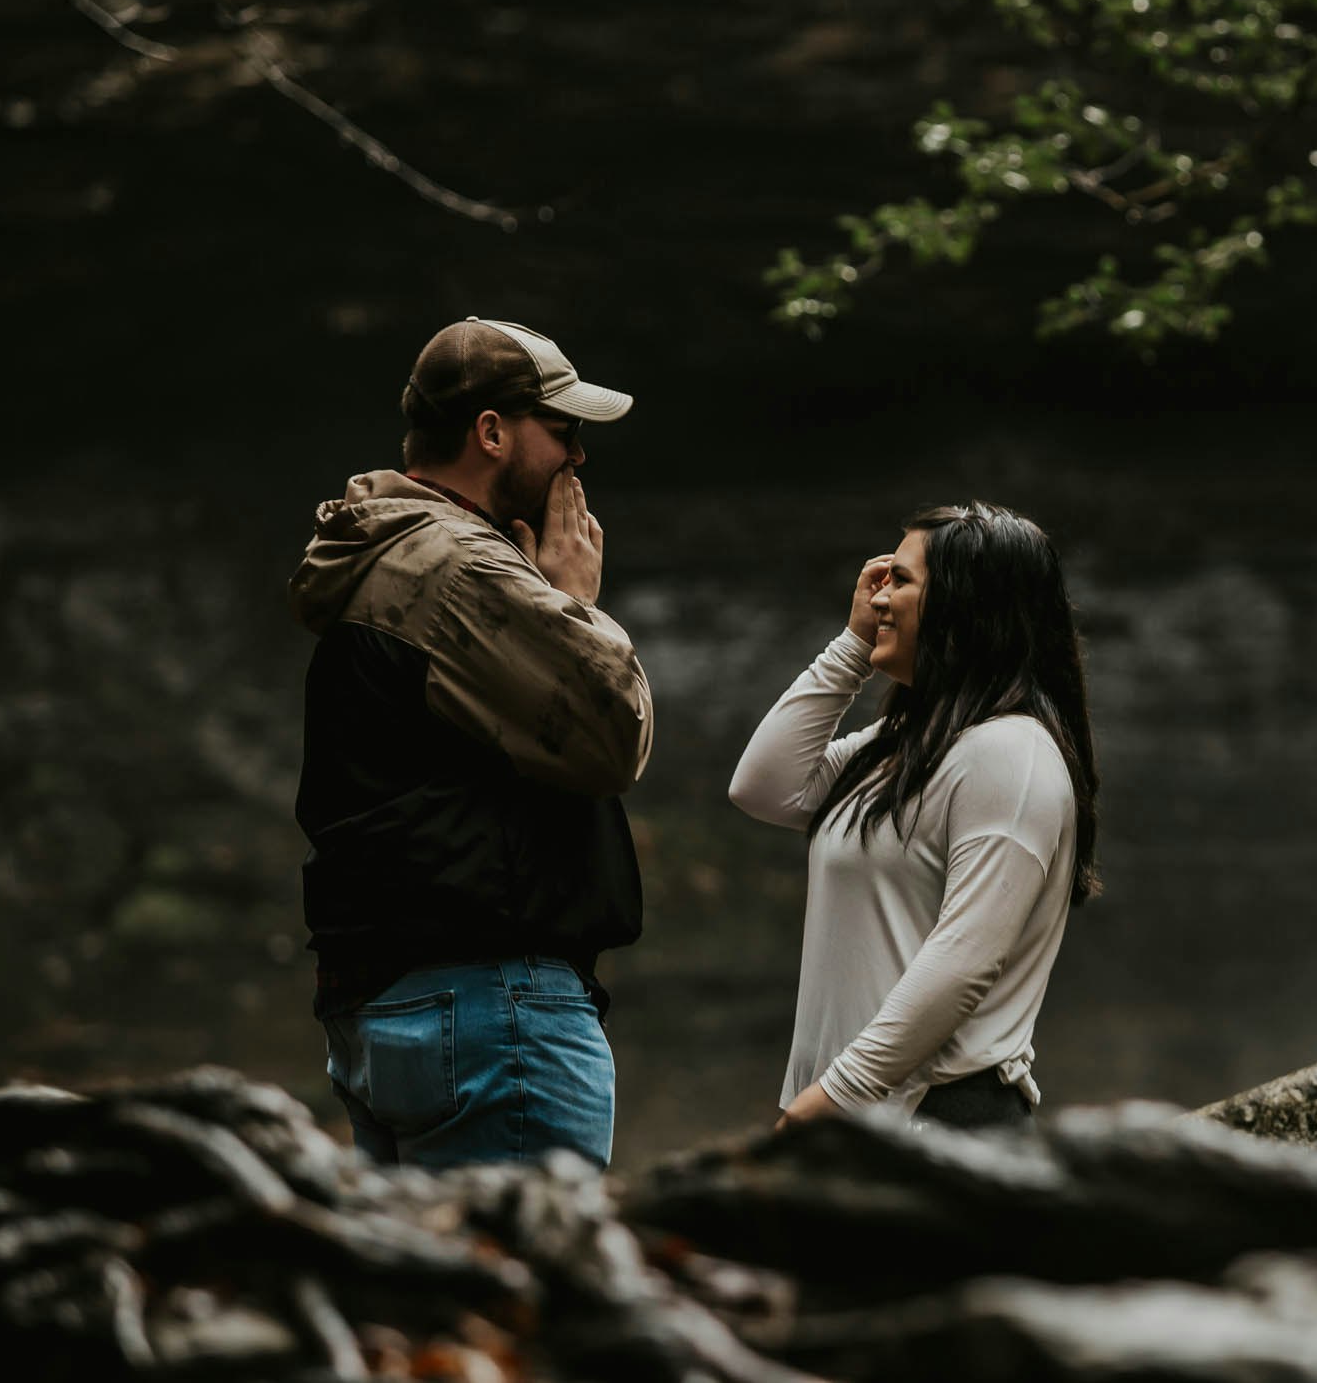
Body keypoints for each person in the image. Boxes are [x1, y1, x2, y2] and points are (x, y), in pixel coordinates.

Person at [287, 315, 653, 1170]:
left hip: (387, 1003)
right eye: (563, 430)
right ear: (492, 432)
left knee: (436, 1298)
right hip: (493, 1007)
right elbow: (613, 736)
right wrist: (576, 603)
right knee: (534, 1291)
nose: (578, 458)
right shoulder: (462, 568)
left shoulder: (376, 555)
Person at [729, 502, 1100, 1131]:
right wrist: (850, 647)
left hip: (939, 1116)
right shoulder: (903, 745)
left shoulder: (1012, 754)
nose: (876, 597)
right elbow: (764, 786)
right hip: (862, 1113)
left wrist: (833, 1098)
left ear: (964, 603)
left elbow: (962, 960)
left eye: (899, 581)